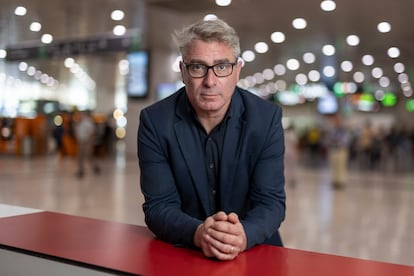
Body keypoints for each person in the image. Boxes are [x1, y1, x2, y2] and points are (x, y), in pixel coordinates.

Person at [137, 18, 286, 261]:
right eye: (198, 67)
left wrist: (242, 235)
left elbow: (271, 202)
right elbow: (158, 206)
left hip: (255, 249)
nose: (210, 81)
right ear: (184, 71)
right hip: (186, 249)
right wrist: (199, 233)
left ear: (237, 71)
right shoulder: (155, 122)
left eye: (222, 67)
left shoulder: (266, 119)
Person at [74, 110, 100, 178]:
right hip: (81, 142)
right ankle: (81, 171)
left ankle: (95, 167)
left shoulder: (87, 122)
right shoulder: (79, 123)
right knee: (80, 157)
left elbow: (92, 132)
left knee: (89, 157)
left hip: (86, 142)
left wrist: (90, 143)